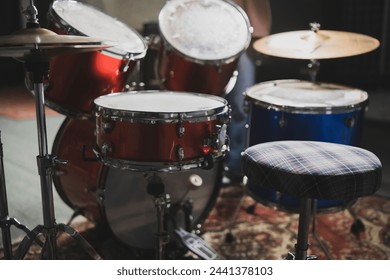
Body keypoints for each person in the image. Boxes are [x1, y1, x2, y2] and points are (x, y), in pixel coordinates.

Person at [224, 0, 272, 183]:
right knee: (207, 104)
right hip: (205, 30)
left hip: (242, 30)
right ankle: (209, 167)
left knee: (240, 103)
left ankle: (234, 167)